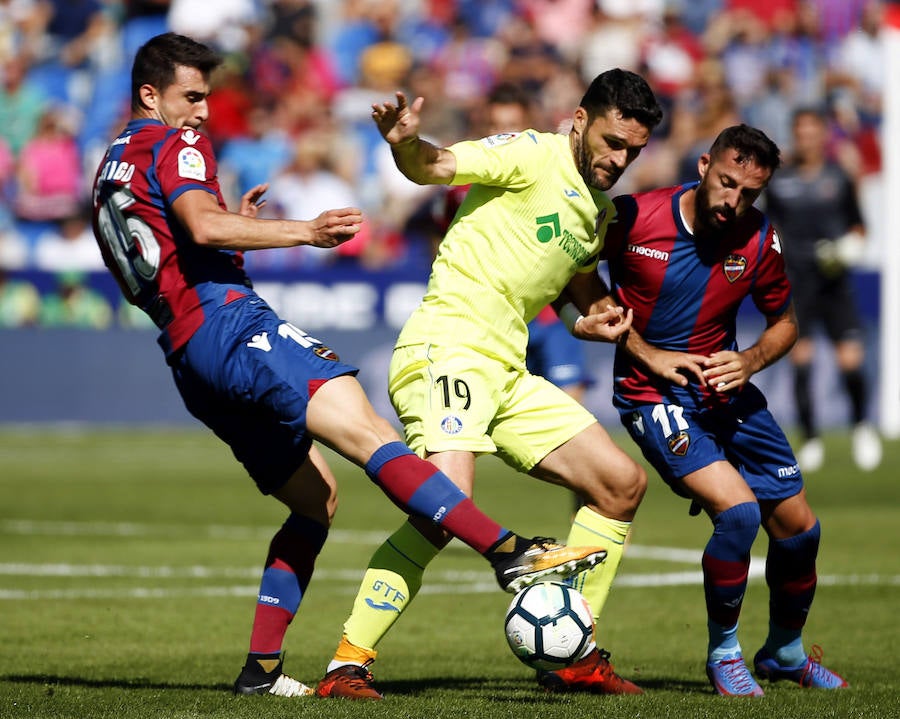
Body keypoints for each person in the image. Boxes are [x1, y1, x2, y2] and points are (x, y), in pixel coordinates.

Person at [89, 32, 608, 699]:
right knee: (372, 435)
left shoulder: (110, 164)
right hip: (229, 325)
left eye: (207, 99)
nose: (202, 114)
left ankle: (261, 671)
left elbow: (170, 245)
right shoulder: (174, 141)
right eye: (190, 98)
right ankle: (512, 554)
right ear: (149, 94)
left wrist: (226, 227)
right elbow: (202, 228)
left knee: (316, 500)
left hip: (187, 352)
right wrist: (301, 230)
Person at [315, 68, 662, 700]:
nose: (620, 159)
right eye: (613, 142)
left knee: (620, 484)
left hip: (506, 368)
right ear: (581, 120)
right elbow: (436, 166)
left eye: (633, 151)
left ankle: (571, 655)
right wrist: (403, 144)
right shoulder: (531, 152)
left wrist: (591, 313)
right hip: (447, 347)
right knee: (444, 509)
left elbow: (569, 282)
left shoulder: (599, 210)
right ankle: (347, 665)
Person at [569, 124, 848, 696]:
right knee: (741, 515)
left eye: (749, 193)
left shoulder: (759, 238)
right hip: (653, 394)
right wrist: (630, 342)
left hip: (726, 391)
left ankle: (784, 652)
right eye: (726, 183)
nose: (734, 201)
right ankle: (724, 653)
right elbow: (571, 269)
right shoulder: (632, 217)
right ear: (703, 165)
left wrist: (748, 362)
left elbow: (786, 325)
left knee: (800, 530)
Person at [763, 106, 881, 472]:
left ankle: (861, 427)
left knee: (851, 360)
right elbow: (769, 231)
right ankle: (811, 437)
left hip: (834, 281)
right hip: (796, 282)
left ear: (823, 134)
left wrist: (848, 248)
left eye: (813, 130)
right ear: (795, 135)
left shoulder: (839, 177)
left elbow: (859, 226)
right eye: (800, 130)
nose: (806, 137)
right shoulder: (779, 181)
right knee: (801, 361)